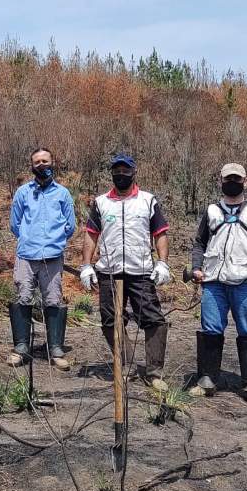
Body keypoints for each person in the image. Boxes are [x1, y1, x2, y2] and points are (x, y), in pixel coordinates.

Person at [188, 163, 247, 407]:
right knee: (210, 329)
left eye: (237, 179)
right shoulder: (211, 211)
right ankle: (207, 379)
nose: (232, 183)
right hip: (213, 282)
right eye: (228, 179)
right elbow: (200, 243)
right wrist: (197, 267)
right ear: (220, 181)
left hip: (245, 282)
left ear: (245, 182)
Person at [79, 154, 171, 391]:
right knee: (110, 320)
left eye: (125, 170)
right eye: (117, 171)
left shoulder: (147, 201)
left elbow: (160, 233)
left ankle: (154, 373)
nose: (121, 174)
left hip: (140, 271)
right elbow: (91, 234)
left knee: (154, 319)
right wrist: (86, 265)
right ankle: (126, 364)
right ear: (111, 174)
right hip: (109, 272)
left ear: (134, 172)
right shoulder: (101, 203)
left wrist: (162, 263)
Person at [8, 148, 76, 370]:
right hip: (26, 255)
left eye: (45, 161)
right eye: (37, 162)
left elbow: (70, 225)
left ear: (52, 162)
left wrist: (54, 241)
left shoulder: (63, 194)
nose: (41, 165)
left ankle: (55, 348)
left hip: (53, 257)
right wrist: (29, 238)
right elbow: (15, 224)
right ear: (32, 166)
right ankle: (21, 347)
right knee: (23, 297)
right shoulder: (22, 192)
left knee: (53, 299)